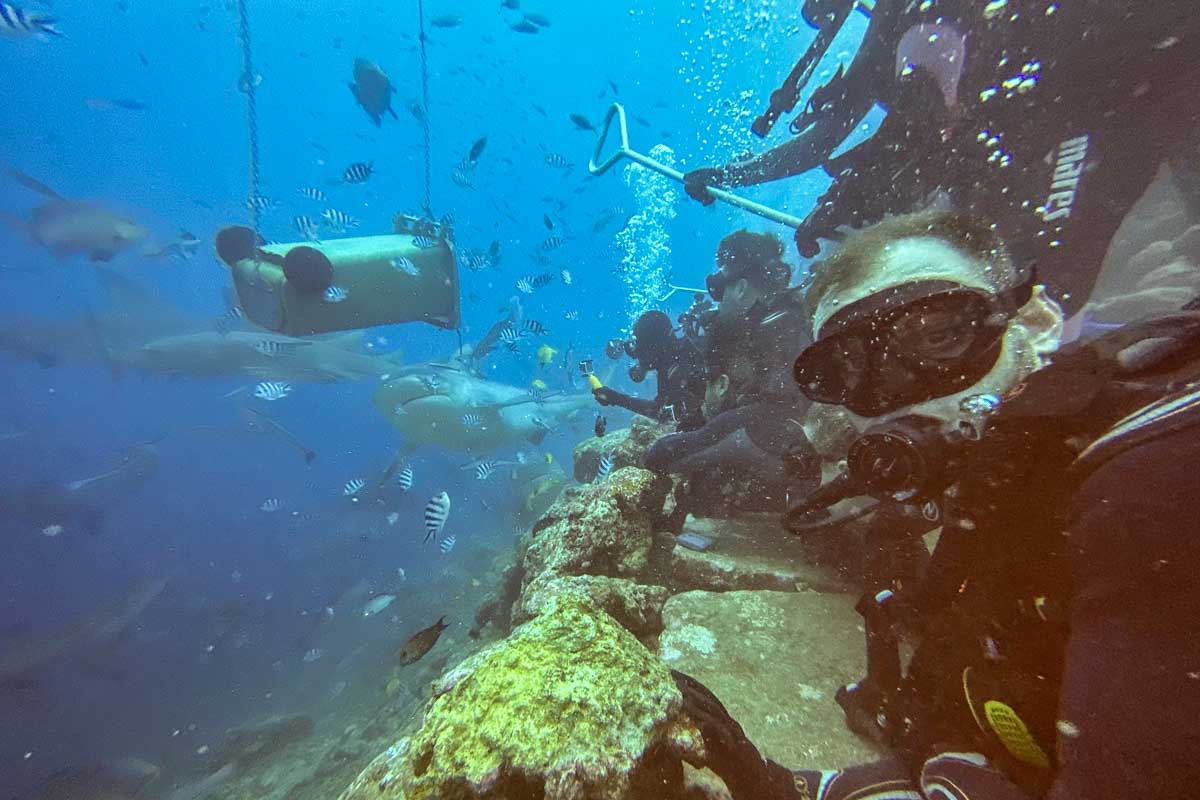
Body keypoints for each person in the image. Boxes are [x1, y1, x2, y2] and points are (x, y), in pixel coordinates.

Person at [671, 210, 1200, 799]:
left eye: (938, 335)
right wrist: (787, 786)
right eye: (852, 370)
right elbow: (947, 737)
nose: (903, 396)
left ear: (1034, 319)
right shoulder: (991, 507)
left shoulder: (1157, 472)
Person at [684, 1, 1200, 316]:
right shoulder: (888, 32)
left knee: (1051, 288)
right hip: (1021, 154)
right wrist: (729, 175)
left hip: (1106, 101)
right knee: (1023, 289)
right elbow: (818, 143)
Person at [592, 310, 707, 429]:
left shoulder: (679, 369)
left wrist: (617, 399)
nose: (639, 357)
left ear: (653, 347)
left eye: (641, 349)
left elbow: (666, 413)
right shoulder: (674, 358)